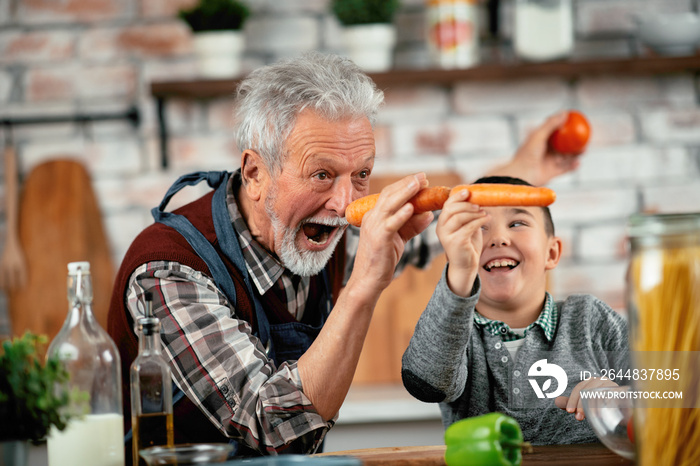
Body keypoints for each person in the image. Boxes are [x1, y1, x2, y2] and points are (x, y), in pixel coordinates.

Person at [107, 51, 581, 459]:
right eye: (321, 175)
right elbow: (275, 428)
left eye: (361, 174)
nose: (344, 203)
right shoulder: (169, 271)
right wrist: (364, 287)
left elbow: (431, 230)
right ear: (255, 173)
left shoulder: (322, 229)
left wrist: (520, 173)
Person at [401, 175, 629, 445]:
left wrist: (624, 396)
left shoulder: (591, 319)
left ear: (552, 253)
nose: (498, 238)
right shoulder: (454, 334)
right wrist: (460, 270)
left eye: (517, 223)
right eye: (481, 226)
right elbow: (425, 383)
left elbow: (676, 388)